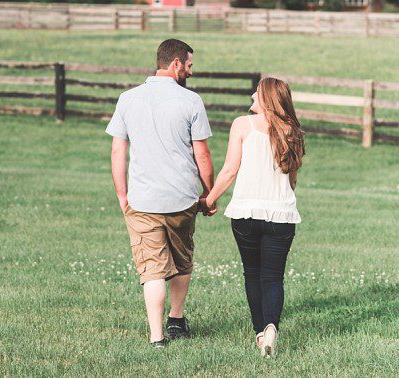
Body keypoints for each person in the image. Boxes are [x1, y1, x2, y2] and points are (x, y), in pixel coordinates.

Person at [106, 38, 215, 348]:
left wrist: (121, 194)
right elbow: (202, 155)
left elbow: (118, 150)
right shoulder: (191, 101)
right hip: (182, 198)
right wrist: (209, 194)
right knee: (181, 260)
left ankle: (157, 338)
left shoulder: (128, 99)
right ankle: (177, 320)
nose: (191, 72)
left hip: (142, 200)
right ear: (175, 64)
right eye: (190, 65)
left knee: (152, 270)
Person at [202, 77, 305, 358]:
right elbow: (292, 181)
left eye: (257, 93)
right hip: (282, 216)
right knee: (273, 277)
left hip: (246, 214)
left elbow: (229, 172)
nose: (252, 95)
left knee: (253, 273)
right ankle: (272, 326)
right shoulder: (293, 132)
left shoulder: (242, 125)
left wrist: (208, 201)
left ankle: (261, 332)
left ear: (268, 99)